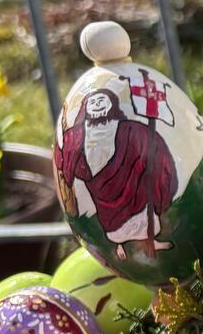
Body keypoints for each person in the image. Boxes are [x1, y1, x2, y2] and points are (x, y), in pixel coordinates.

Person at [54, 85, 178, 261]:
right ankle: (118, 245)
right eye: (93, 102)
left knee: (142, 212)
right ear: (86, 108)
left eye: (101, 100)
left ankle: (150, 241)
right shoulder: (77, 134)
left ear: (111, 104)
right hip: (100, 188)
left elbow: (151, 144)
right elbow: (66, 151)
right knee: (112, 223)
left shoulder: (128, 128)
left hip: (131, 189)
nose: (97, 104)